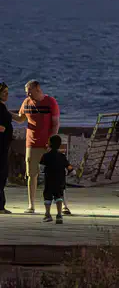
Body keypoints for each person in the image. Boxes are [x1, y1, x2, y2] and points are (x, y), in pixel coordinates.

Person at [17, 80, 60, 214]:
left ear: (38, 89)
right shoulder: (26, 102)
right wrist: (5, 113)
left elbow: (55, 124)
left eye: (30, 91)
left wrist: (51, 142)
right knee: (31, 174)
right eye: (27, 92)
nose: (28, 94)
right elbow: (20, 118)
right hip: (31, 143)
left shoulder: (50, 102)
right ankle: (31, 205)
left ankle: (63, 205)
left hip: (47, 143)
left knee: (56, 174)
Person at [0, 82, 26, 214]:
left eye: (7, 92)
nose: (7, 95)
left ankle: (1, 205)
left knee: (3, 174)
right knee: (1, 174)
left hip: (4, 146)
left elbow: (18, 119)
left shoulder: (3, 107)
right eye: (4, 92)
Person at [39, 135, 73, 224]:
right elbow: (69, 167)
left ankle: (47, 214)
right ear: (60, 144)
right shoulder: (62, 156)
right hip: (60, 180)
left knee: (47, 196)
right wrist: (73, 172)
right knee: (58, 196)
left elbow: (41, 167)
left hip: (49, 180)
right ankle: (59, 215)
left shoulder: (45, 156)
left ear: (49, 144)